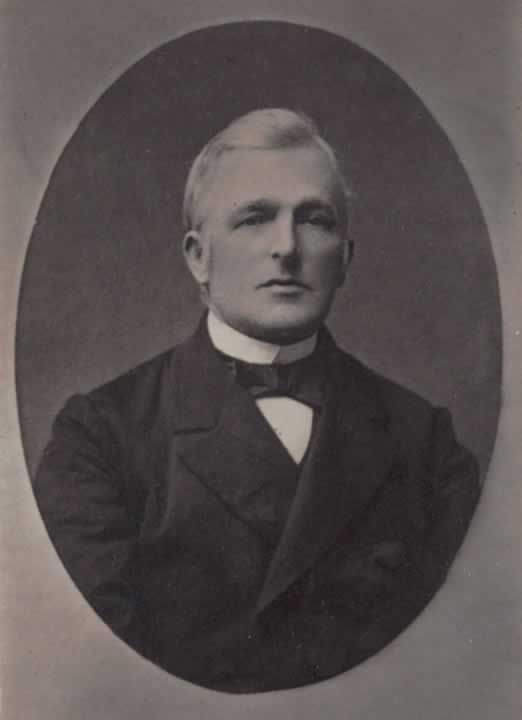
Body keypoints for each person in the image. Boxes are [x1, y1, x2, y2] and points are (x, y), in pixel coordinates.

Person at [34, 108, 480, 693]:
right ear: (198, 256)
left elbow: (456, 660)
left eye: (314, 220)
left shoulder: (426, 444)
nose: (286, 248)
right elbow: (100, 672)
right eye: (255, 218)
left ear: (345, 258)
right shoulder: (100, 437)